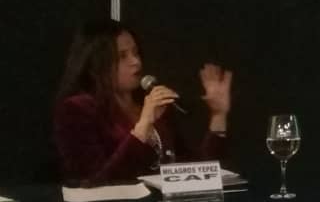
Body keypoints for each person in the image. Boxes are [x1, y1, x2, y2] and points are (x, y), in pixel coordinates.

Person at [53, 19, 233, 186]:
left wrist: (218, 116)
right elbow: (92, 181)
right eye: (122, 56)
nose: (136, 62)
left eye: (136, 52)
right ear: (95, 64)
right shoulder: (77, 109)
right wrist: (143, 127)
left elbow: (194, 173)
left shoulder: (153, 107)